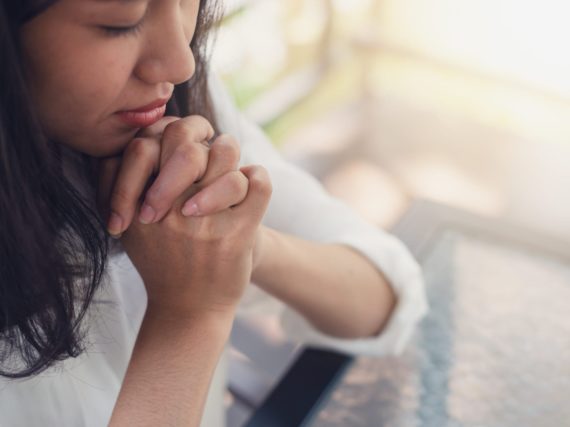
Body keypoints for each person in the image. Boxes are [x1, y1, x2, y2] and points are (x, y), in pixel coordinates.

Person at [0, 0, 428, 426]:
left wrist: (234, 245)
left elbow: (386, 300)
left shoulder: (174, 107)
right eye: (119, 24)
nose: (180, 61)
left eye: (189, 2)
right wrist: (189, 317)